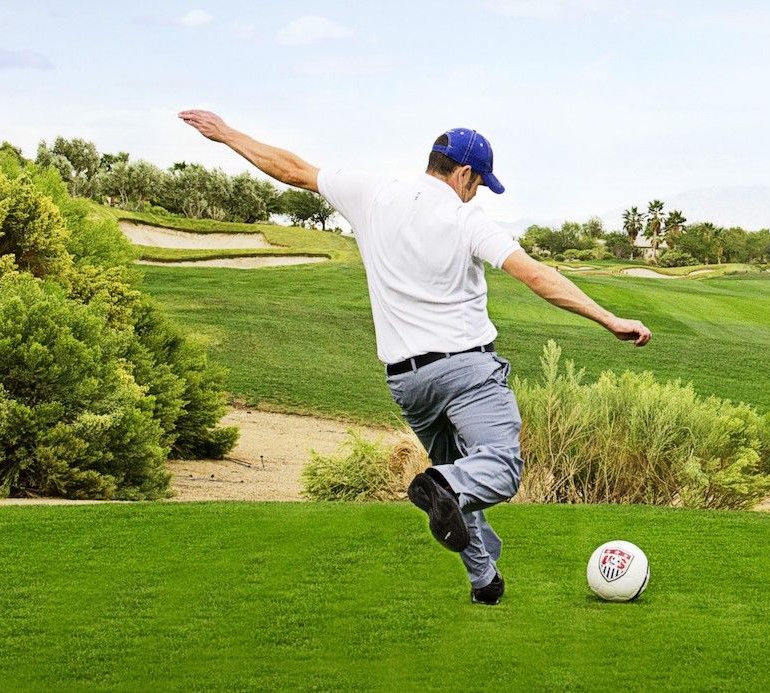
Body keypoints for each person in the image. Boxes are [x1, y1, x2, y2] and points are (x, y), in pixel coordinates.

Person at [179, 111, 652, 604]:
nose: (477, 194)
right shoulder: (466, 218)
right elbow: (536, 276)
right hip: (468, 372)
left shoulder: (372, 192)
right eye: (479, 184)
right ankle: (436, 484)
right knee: (498, 468)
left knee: (456, 489)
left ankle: (484, 581)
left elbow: (291, 168)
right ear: (464, 175)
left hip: (407, 382)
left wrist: (227, 134)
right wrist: (612, 320)